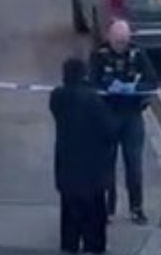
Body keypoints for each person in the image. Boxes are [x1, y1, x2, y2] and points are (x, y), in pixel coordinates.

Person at [90, 20, 158, 225]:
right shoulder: (99, 55)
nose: (121, 46)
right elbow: (90, 82)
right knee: (106, 166)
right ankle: (107, 210)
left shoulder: (137, 54)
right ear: (109, 38)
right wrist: (106, 86)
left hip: (132, 116)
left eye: (124, 42)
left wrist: (136, 89)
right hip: (108, 116)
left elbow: (152, 81)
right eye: (118, 42)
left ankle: (136, 208)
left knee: (134, 164)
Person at [50, 57, 116, 254]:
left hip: (66, 168)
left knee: (69, 213)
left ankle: (69, 246)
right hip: (92, 171)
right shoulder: (93, 100)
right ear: (84, 74)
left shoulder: (57, 97)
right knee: (94, 216)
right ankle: (93, 248)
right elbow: (110, 130)